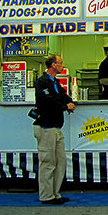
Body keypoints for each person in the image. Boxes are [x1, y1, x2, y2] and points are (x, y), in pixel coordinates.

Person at [33, 55, 76, 205]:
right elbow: (47, 101)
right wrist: (65, 106)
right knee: (48, 162)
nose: (62, 65)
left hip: (56, 126)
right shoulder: (42, 81)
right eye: (60, 62)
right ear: (53, 65)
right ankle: (46, 195)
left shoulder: (55, 82)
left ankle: (55, 193)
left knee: (60, 162)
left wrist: (69, 102)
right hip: (45, 126)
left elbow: (62, 96)